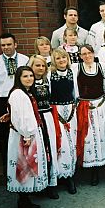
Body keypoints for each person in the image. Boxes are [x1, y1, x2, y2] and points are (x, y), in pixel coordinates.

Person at [7, 66, 49, 208]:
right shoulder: (18, 94)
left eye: (31, 76)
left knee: (27, 166)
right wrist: (27, 135)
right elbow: (20, 118)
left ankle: (26, 200)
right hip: (23, 136)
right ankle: (23, 201)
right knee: (24, 166)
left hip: (28, 134)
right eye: (25, 76)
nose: (29, 78)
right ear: (18, 78)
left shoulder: (25, 93)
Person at [0, 33, 29, 175]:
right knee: (4, 134)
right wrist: (4, 93)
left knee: (23, 132)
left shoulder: (25, 59)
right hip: (2, 101)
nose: (6, 47)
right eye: (3, 45)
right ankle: (8, 170)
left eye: (9, 44)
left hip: (21, 100)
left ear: (15, 44)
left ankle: (25, 168)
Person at [76, 45, 105, 186]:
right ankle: (92, 169)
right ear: (80, 56)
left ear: (93, 53)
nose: (87, 56)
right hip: (85, 107)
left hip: (100, 105)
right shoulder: (77, 68)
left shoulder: (101, 66)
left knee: (102, 134)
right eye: (84, 54)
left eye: (89, 53)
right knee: (89, 136)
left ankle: (101, 163)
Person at [28, 55, 59, 199]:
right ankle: (39, 185)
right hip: (35, 119)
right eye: (37, 65)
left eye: (42, 66)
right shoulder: (28, 82)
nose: (40, 68)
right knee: (38, 152)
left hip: (47, 117)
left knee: (50, 149)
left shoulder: (48, 81)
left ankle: (52, 185)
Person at [49, 48, 78, 194]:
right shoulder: (50, 74)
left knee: (71, 141)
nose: (61, 61)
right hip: (56, 111)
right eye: (58, 58)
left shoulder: (72, 72)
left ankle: (70, 175)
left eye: (64, 58)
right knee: (61, 143)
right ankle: (59, 175)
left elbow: (75, 92)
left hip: (71, 110)